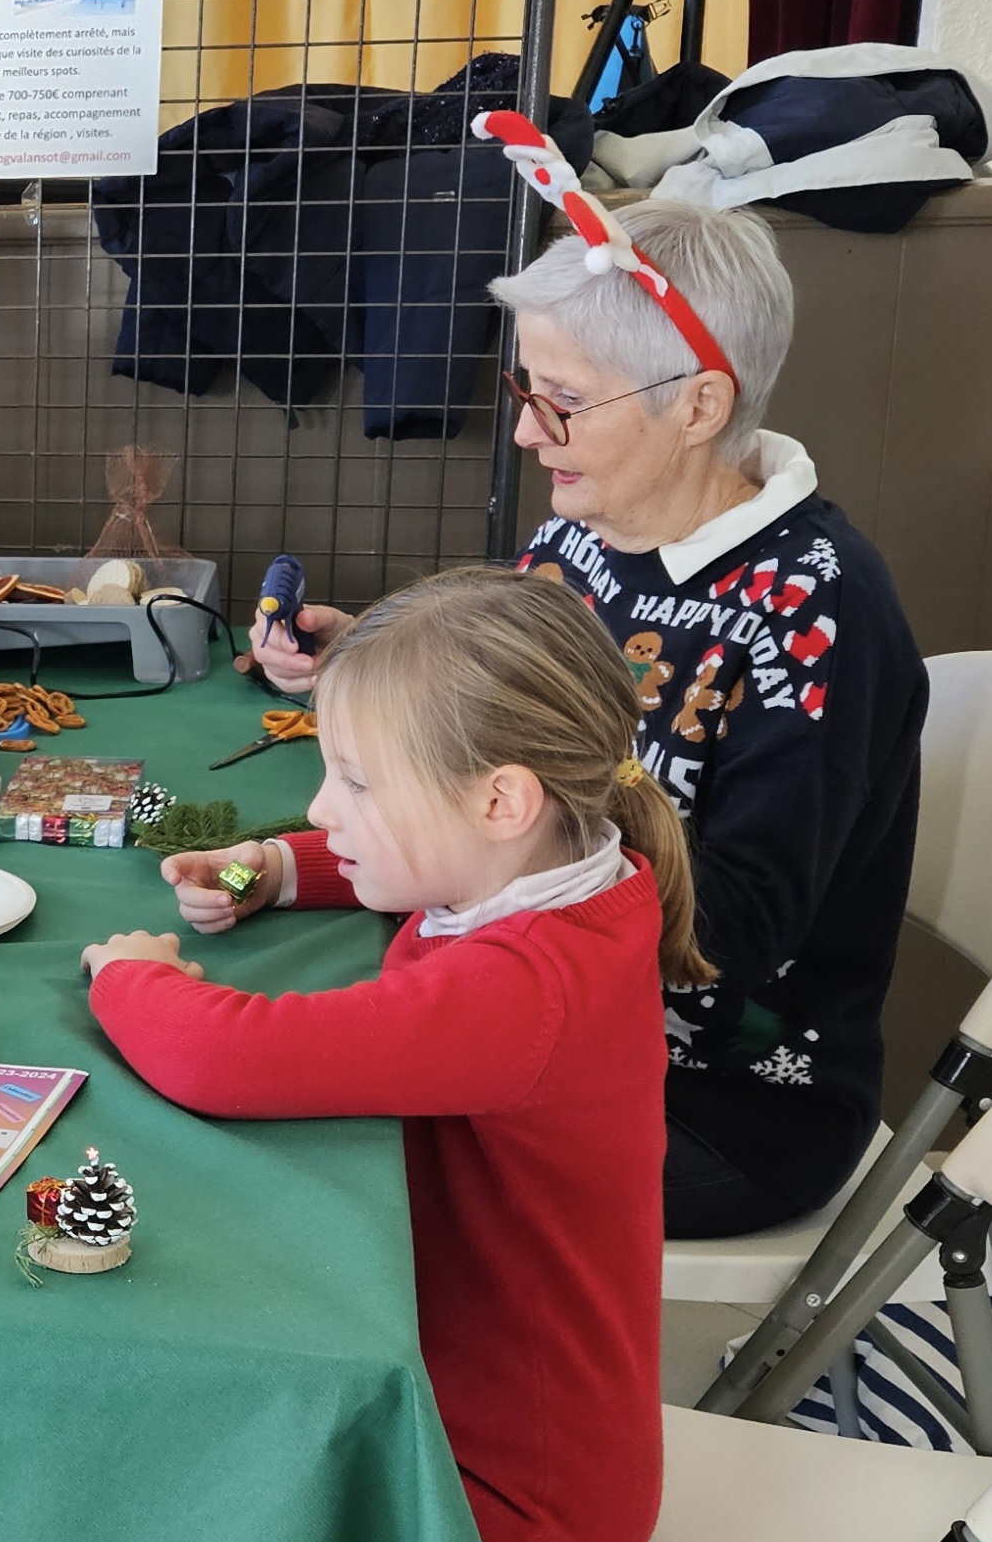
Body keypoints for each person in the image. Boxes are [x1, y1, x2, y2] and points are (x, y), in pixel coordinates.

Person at [245, 183, 925, 1242]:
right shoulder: (581, 533)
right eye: (526, 386)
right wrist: (383, 682)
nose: (523, 430)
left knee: (327, 1190)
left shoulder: (820, 613)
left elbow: (730, 929)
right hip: (522, 1011)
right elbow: (499, 748)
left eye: (559, 400)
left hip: (713, 1104)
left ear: (696, 406)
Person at [85, 566, 693, 1542]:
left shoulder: (521, 991)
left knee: (145, 1505)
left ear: (501, 798)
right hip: (495, 1420)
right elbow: (422, 866)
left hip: (510, 1508)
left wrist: (131, 978)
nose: (323, 805)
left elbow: (222, 1057)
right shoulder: (578, 863)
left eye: (356, 784)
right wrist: (277, 868)